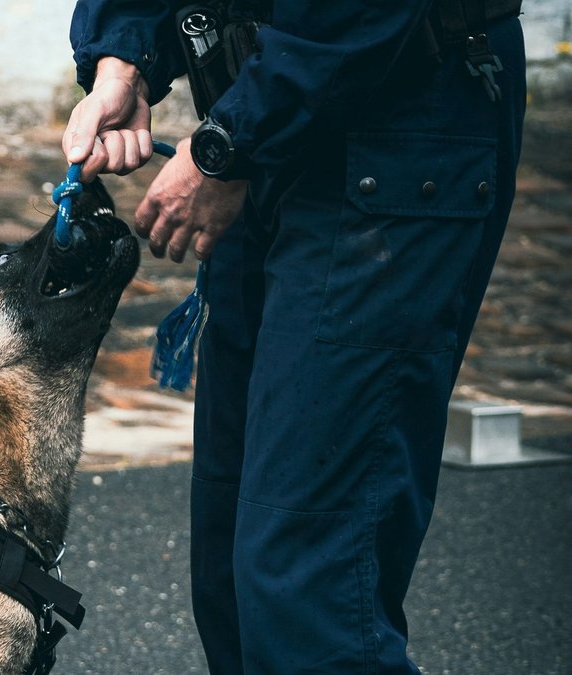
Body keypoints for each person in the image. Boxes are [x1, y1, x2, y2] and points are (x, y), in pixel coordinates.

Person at [62, 1, 525, 672]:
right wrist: (121, 63)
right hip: (267, 101)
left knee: (308, 579)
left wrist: (228, 149)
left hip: (396, 115)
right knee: (231, 567)